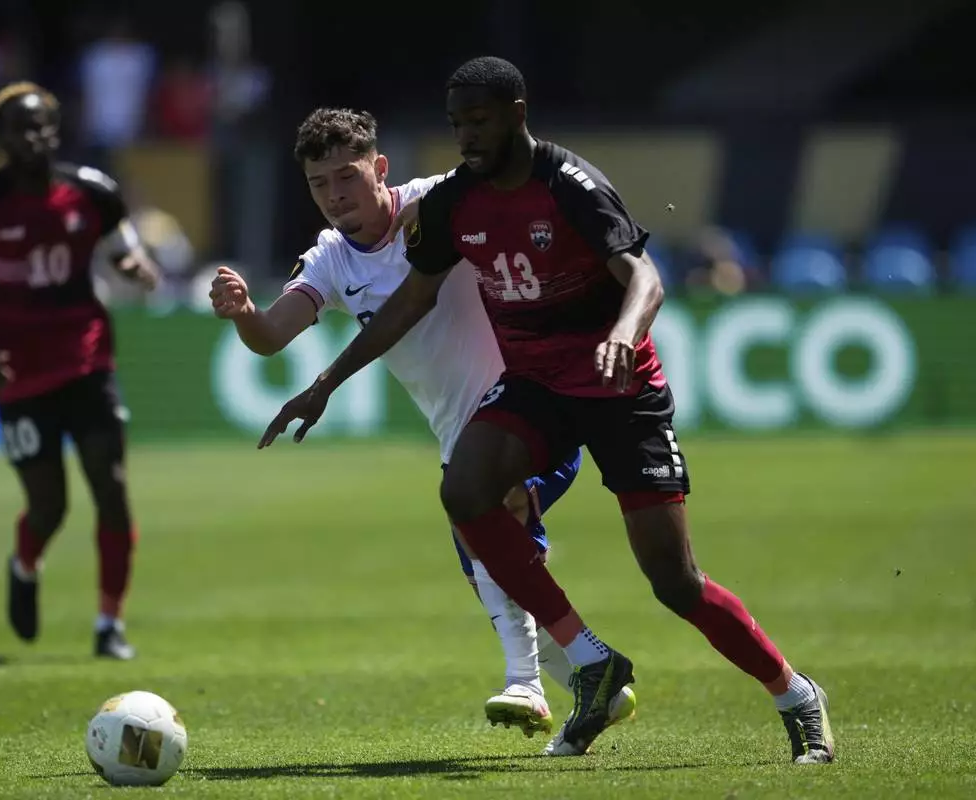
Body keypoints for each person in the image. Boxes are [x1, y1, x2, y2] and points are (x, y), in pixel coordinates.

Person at [260, 58, 837, 762]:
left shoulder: (570, 184)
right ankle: (589, 664)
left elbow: (644, 277)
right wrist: (324, 382)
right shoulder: (453, 204)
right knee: (466, 492)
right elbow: (408, 302)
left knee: (674, 582)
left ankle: (796, 695)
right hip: (536, 387)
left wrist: (624, 334)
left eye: (479, 121)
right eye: (456, 125)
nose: (467, 137)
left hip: (619, 386)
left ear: (516, 114)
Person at [209, 107, 634, 740]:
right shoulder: (329, 259)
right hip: (459, 433)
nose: (334, 196)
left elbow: (520, 176)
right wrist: (243, 312)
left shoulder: (442, 199)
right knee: (492, 556)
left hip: (532, 402)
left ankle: (529, 682)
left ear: (380, 168)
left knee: (495, 515)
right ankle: (594, 673)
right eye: (318, 184)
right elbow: (271, 336)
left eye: (346, 177)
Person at [0, 82, 159, 660]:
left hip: (87, 358)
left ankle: (110, 624)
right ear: (1, 138)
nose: (31, 137)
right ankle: (25, 562)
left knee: (113, 486)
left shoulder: (91, 191)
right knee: (50, 505)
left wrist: (130, 260)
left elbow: (119, 232)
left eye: (40, 126)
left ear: (55, 130)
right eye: (17, 128)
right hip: (17, 374)